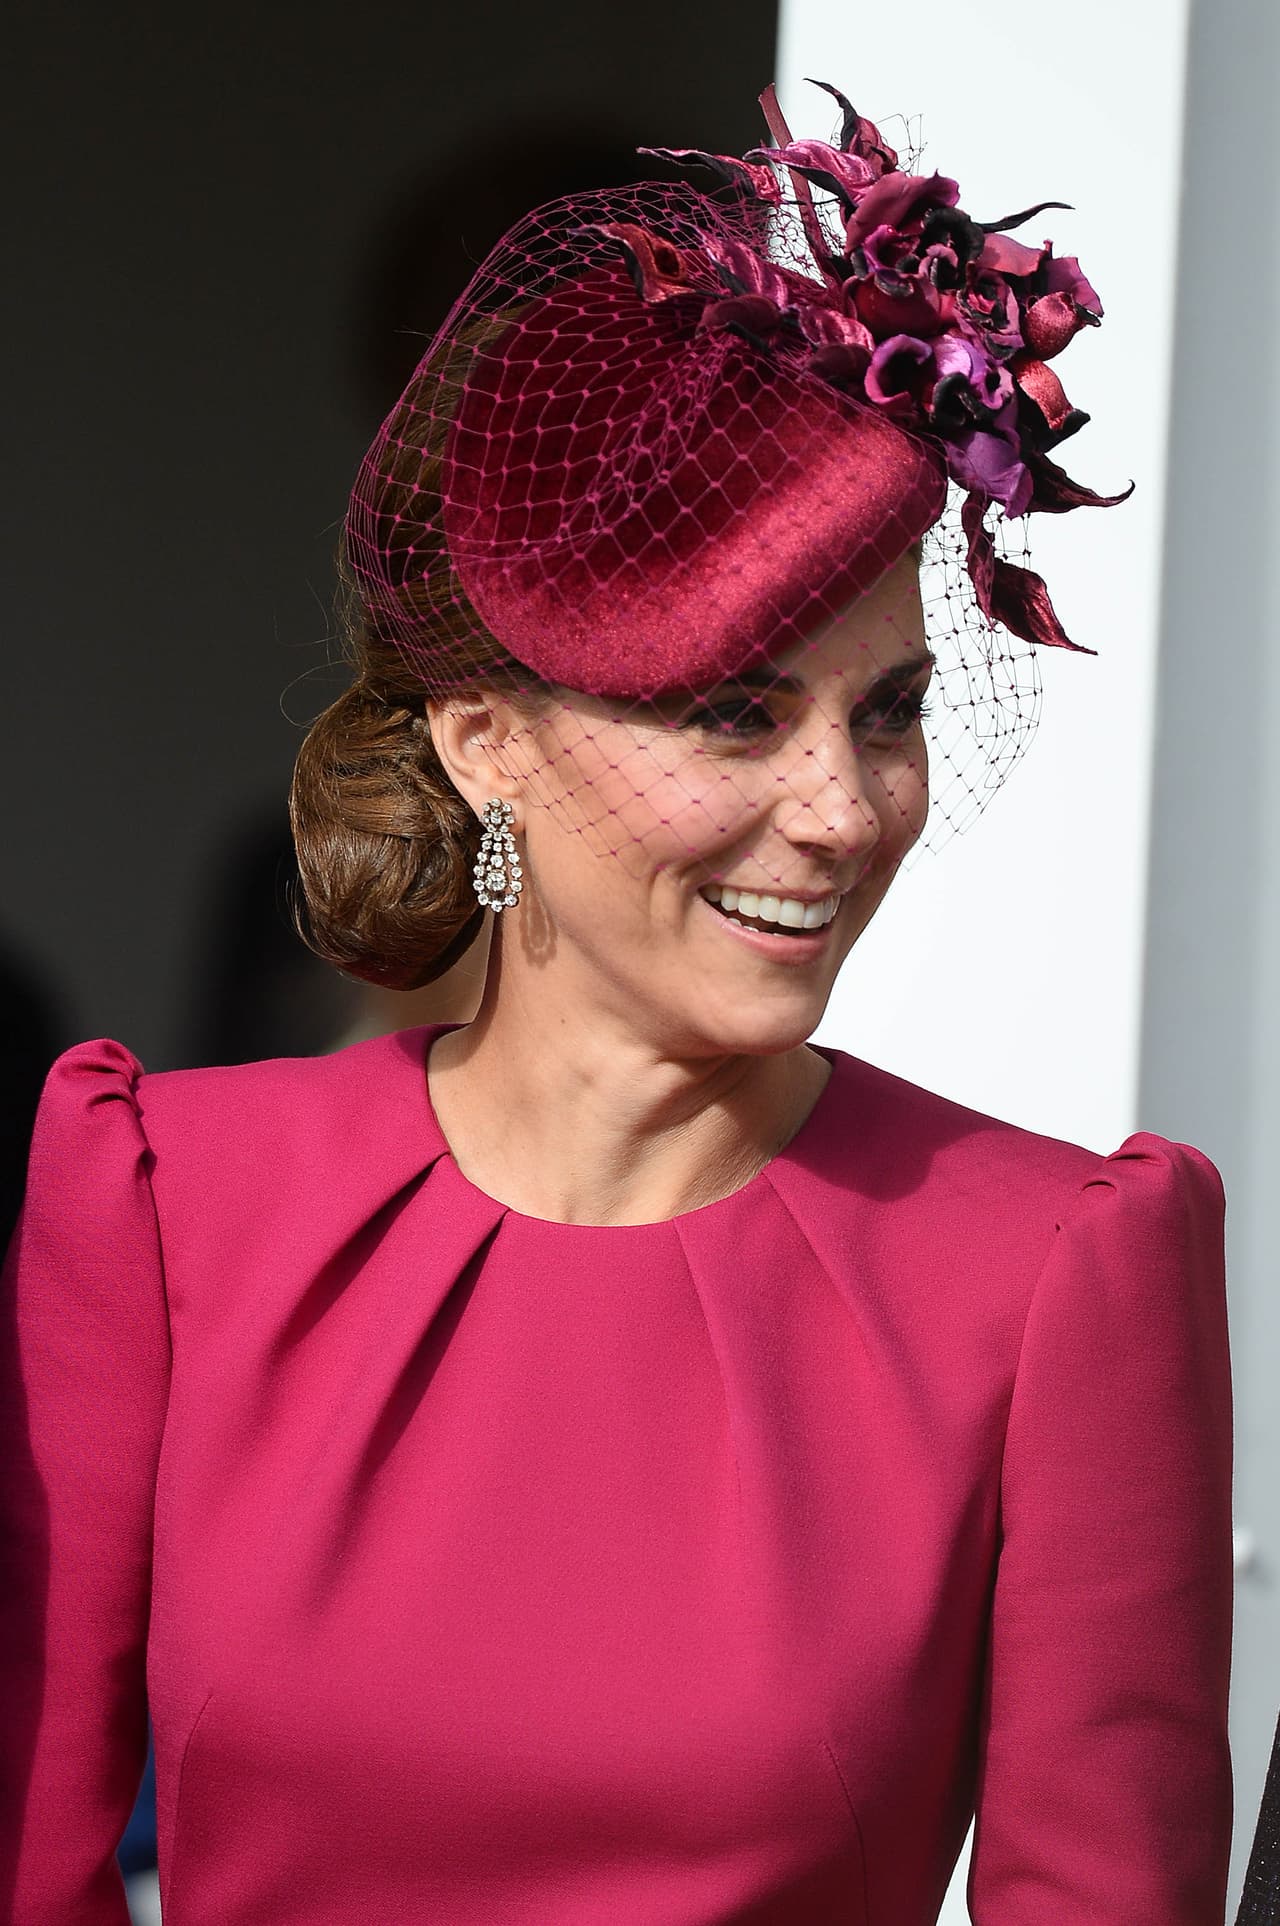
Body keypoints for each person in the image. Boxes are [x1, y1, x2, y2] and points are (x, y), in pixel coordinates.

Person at [0, 81, 1233, 1925]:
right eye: (736, 712)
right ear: (482, 737)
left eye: (887, 712)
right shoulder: (169, 1202)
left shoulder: (1056, 1271)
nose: (843, 808)